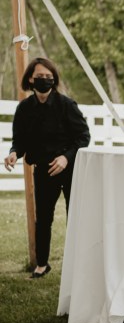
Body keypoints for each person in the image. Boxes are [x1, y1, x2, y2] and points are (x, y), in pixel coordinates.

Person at [4, 58, 90, 279]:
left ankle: (78, 265)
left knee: (74, 217)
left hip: (70, 169)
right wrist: (13, 153)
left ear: (54, 79)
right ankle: (42, 264)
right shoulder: (24, 109)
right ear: (31, 79)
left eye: (48, 77)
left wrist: (66, 158)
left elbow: (83, 137)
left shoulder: (67, 105)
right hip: (43, 170)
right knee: (43, 219)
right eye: (40, 76)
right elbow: (19, 141)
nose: (44, 80)